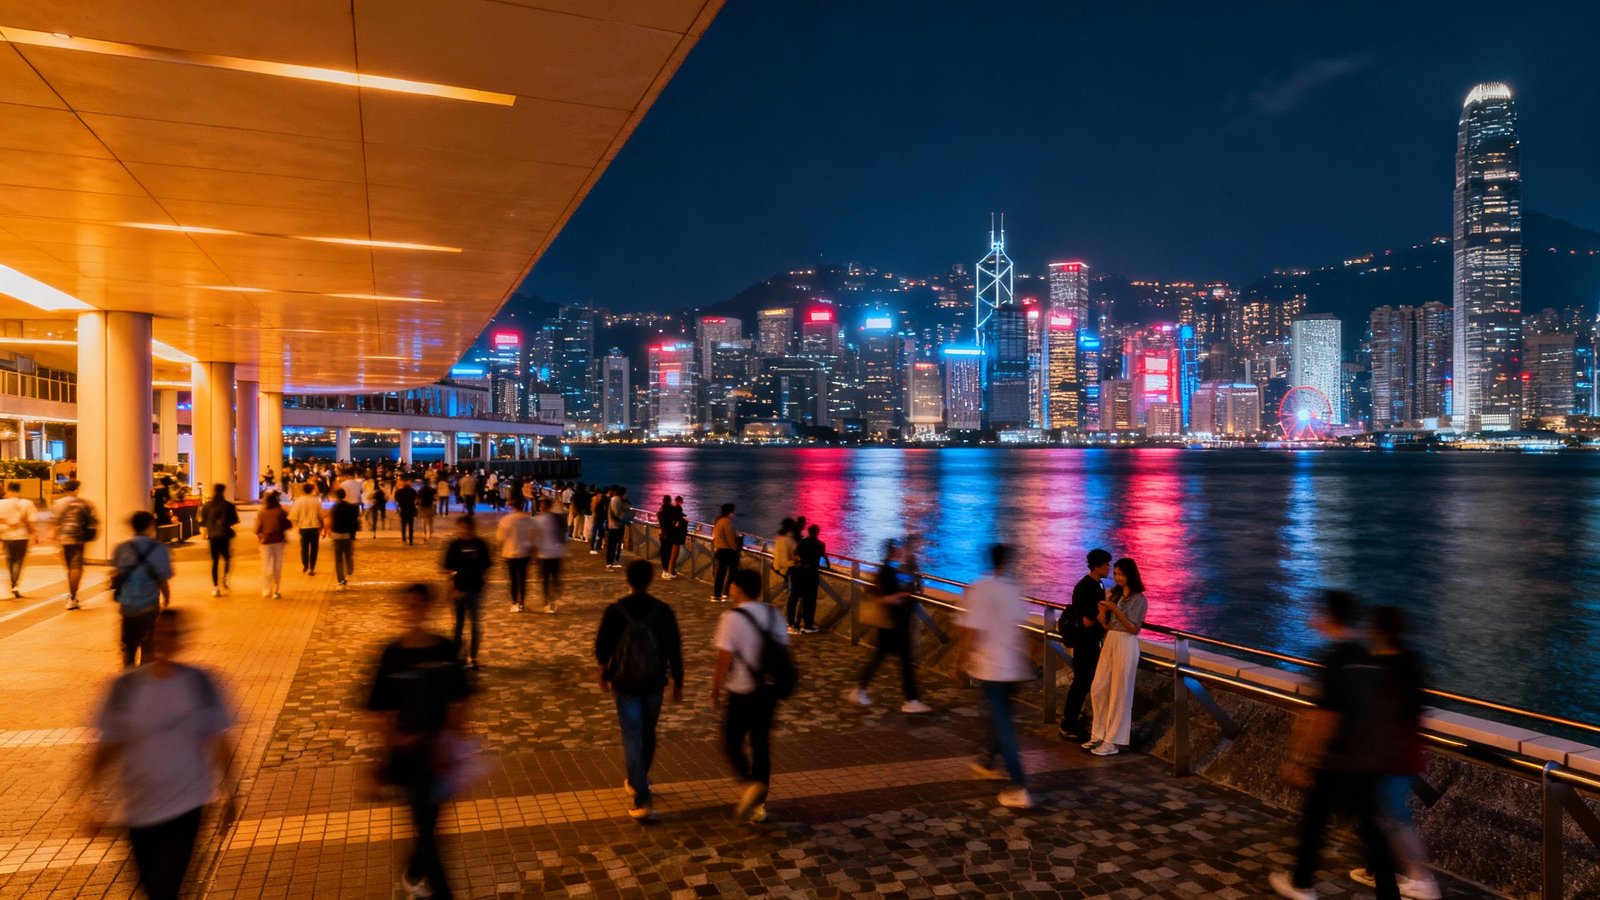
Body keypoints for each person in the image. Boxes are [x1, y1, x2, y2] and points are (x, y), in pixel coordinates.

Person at [85, 609, 236, 900]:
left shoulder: (200, 683)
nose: (167, 641)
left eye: (174, 634)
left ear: (182, 640)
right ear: (151, 638)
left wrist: (229, 790)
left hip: (187, 804)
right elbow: (106, 748)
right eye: (161, 634)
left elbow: (218, 740)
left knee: (165, 889)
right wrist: (90, 799)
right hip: (138, 809)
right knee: (151, 889)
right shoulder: (124, 687)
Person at [1270, 590, 1400, 900]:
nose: (1313, 617)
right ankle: (1388, 891)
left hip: (1337, 761)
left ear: (1329, 617)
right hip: (1366, 759)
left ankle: (1302, 883)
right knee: (1369, 829)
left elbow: (1325, 718)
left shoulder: (1334, 660)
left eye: (1318, 612)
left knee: (1316, 822)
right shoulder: (1368, 658)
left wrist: (1301, 759)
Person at [367, 584, 472, 900]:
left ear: (428, 609)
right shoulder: (390, 654)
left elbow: (461, 699)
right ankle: (438, 890)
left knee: (429, 827)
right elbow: (377, 707)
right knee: (428, 830)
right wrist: (391, 743)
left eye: (417, 606)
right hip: (406, 756)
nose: (411, 612)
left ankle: (414, 874)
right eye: (406, 606)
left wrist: (449, 740)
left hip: (438, 755)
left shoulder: (444, 649)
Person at [1348, 606, 1440, 900]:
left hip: (1389, 751)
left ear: (1380, 632)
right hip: (1405, 746)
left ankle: (1421, 879)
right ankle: (1378, 867)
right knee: (1384, 810)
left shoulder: (1381, 666)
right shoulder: (1410, 660)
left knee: (1394, 813)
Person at [594, 560, 684, 820]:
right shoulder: (663, 611)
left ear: (628, 580)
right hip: (654, 681)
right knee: (648, 732)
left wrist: (602, 673)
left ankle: (641, 795)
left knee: (631, 734)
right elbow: (673, 649)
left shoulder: (616, 610)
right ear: (650, 580)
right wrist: (678, 682)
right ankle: (640, 779)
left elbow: (603, 647)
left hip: (624, 682)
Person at [959, 544, 1034, 810]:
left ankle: (1019, 785)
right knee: (997, 716)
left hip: (991, 667)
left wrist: (959, 661)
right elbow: (1021, 628)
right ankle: (988, 761)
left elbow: (970, 631)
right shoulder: (1013, 589)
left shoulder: (981, 588)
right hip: (1014, 667)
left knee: (1003, 726)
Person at [711, 568, 788, 824]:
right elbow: (782, 652)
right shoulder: (772, 614)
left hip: (741, 689)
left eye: (732, 584)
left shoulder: (731, 618)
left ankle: (749, 785)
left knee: (731, 742)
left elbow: (724, 659)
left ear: (739, 588)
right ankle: (759, 806)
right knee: (761, 745)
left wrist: (715, 688)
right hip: (768, 690)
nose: (730, 588)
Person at [850, 540, 931, 713]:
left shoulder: (888, 570)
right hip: (893, 624)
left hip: (891, 623)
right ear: (892, 552)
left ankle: (860, 689)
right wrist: (903, 594)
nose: (901, 552)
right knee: (904, 662)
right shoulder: (887, 572)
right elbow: (883, 598)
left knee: (883, 658)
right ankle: (911, 700)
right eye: (898, 550)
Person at [1083, 557, 1147, 756]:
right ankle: (1099, 733)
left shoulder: (1139, 599)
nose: (1117, 577)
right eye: (1116, 573)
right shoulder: (1114, 594)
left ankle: (1113, 740)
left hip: (1126, 643)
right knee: (1098, 687)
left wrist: (1116, 610)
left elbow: (1132, 628)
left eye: (1120, 574)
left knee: (1120, 693)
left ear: (1130, 575)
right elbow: (1109, 626)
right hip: (1111, 639)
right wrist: (1102, 614)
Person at [1059, 549, 1112, 741]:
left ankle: (1071, 720)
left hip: (1091, 642)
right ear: (1097, 566)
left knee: (1083, 682)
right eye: (1106, 564)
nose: (1109, 567)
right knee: (1082, 682)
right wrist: (1106, 612)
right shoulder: (1086, 587)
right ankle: (1069, 722)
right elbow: (1087, 621)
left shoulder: (1096, 584)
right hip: (1086, 642)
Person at [111, 512, 174, 669]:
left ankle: (129, 676)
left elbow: (116, 572)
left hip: (127, 606)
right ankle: (144, 678)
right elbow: (163, 578)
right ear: (150, 526)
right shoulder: (160, 549)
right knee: (148, 645)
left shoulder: (121, 548)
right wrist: (166, 598)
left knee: (128, 647)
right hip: (149, 605)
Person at [442, 516, 491, 669]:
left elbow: (486, 566)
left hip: (476, 590)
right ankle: (457, 656)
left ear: (471, 528)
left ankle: (473, 657)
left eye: (464, 527)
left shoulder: (480, 544)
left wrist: (484, 584)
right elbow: (447, 567)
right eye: (460, 527)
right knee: (458, 626)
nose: (462, 530)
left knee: (475, 626)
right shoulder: (454, 545)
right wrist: (452, 585)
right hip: (459, 591)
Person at [50, 479, 97, 609]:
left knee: (69, 567)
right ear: (77, 489)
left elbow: (55, 522)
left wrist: (54, 536)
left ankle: (72, 592)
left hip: (64, 538)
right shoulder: (84, 503)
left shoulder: (58, 503)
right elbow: (91, 521)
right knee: (76, 567)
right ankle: (72, 597)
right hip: (79, 538)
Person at [200, 484, 240, 598]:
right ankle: (225, 577)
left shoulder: (207, 505)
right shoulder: (228, 505)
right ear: (223, 491)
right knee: (227, 558)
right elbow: (234, 520)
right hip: (225, 535)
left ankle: (215, 587)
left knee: (215, 561)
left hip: (212, 536)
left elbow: (203, 521)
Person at [496, 497, 535, 612]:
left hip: (510, 552)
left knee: (513, 579)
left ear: (512, 506)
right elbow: (533, 536)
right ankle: (522, 601)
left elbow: (500, 537)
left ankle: (514, 602)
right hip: (524, 552)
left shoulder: (506, 520)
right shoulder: (529, 519)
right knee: (523, 578)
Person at [0, 481, 36, 597]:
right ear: (19, 490)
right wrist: (34, 534)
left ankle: (12, 581)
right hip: (22, 536)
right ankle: (14, 584)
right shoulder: (27, 503)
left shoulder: (1, 504)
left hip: (6, 535)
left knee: (10, 560)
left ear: (8, 489)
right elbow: (31, 522)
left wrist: (8, 523)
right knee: (18, 561)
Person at [790, 524, 828, 633]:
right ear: (818, 532)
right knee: (810, 601)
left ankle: (793, 624)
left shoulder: (802, 542)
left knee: (795, 598)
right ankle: (807, 625)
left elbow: (795, 555)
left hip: (800, 572)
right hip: (811, 574)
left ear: (808, 531)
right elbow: (823, 556)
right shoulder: (821, 544)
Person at [254, 490, 290, 599]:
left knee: (266, 566)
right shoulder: (280, 512)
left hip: (265, 542)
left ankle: (266, 589)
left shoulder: (262, 512)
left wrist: (260, 535)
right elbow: (287, 525)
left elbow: (256, 529)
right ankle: (276, 589)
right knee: (278, 565)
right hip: (279, 541)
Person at [533, 497, 567, 613]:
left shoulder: (542, 519)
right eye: (541, 504)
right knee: (550, 580)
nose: (542, 506)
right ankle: (549, 601)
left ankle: (551, 601)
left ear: (547, 506)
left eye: (543, 504)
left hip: (551, 554)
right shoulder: (549, 518)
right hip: (548, 554)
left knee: (551, 580)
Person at [326, 487, 362, 590]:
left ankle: (341, 580)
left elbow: (330, 521)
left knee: (338, 559)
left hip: (337, 535)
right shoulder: (352, 507)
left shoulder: (334, 508)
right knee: (348, 556)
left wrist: (328, 531)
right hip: (347, 535)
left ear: (336, 496)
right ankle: (349, 573)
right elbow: (355, 520)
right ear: (345, 495)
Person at [288, 483, 324, 576]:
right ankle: (312, 567)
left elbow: (293, 516)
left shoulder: (298, 501)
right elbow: (320, 515)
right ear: (311, 490)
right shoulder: (316, 501)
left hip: (303, 527)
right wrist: (322, 526)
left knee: (304, 547)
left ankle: (305, 565)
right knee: (314, 548)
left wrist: (296, 525)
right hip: (314, 527)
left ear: (303, 490)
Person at [711, 503, 740, 602]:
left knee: (721, 573)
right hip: (726, 551)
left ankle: (717, 594)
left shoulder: (718, 521)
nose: (734, 514)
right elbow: (730, 538)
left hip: (719, 549)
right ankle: (725, 593)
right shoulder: (726, 522)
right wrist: (735, 548)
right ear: (729, 512)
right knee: (732, 572)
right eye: (733, 512)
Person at [772, 518, 797, 619]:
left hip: (781, 567)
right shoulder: (786, 540)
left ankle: (787, 618)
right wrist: (795, 562)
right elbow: (783, 561)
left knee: (790, 594)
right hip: (787, 569)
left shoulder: (780, 538)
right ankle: (789, 620)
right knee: (791, 595)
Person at [605, 487, 632, 569]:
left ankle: (609, 562)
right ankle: (612, 561)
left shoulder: (613, 499)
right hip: (617, 525)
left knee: (611, 545)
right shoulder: (618, 500)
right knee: (615, 544)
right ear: (623, 493)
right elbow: (625, 510)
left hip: (611, 525)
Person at [656, 495, 682, 579]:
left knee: (664, 553)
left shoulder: (661, 510)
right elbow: (677, 516)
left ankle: (665, 571)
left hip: (663, 533)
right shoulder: (670, 509)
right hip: (669, 534)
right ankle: (668, 571)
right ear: (670, 500)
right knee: (668, 553)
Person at [394, 478, 419, 545]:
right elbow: (416, 498)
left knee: (403, 525)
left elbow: (396, 498)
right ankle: (411, 540)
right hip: (411, 509)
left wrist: (400, 503)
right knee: (411, 525)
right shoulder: (413, 491)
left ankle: (404, 538)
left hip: (403, 509)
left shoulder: (399, 491)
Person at [417, 479, 437, 543]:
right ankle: (430, 534)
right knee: (430, 521)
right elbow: (435, 497)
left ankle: (425, 534)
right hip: (430, 506)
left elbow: (418, 498)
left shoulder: (420, 490)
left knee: (424, 522)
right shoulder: (431, 490)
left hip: (422, 507)